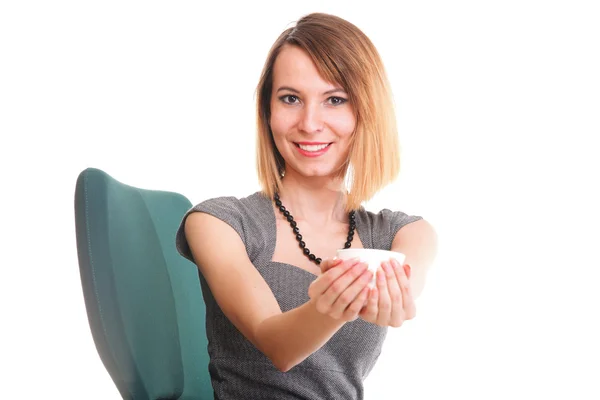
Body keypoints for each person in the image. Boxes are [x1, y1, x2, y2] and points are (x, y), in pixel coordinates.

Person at [175, 12, 438, 400]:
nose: (310, 123)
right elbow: (277, 345)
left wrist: (392, 300)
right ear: (268, 112)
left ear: (367, 111)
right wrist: (337, 303)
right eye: (291, 99)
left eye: (335, 100)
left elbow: (403, 289)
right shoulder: (218, 224)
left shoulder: (404, 233)